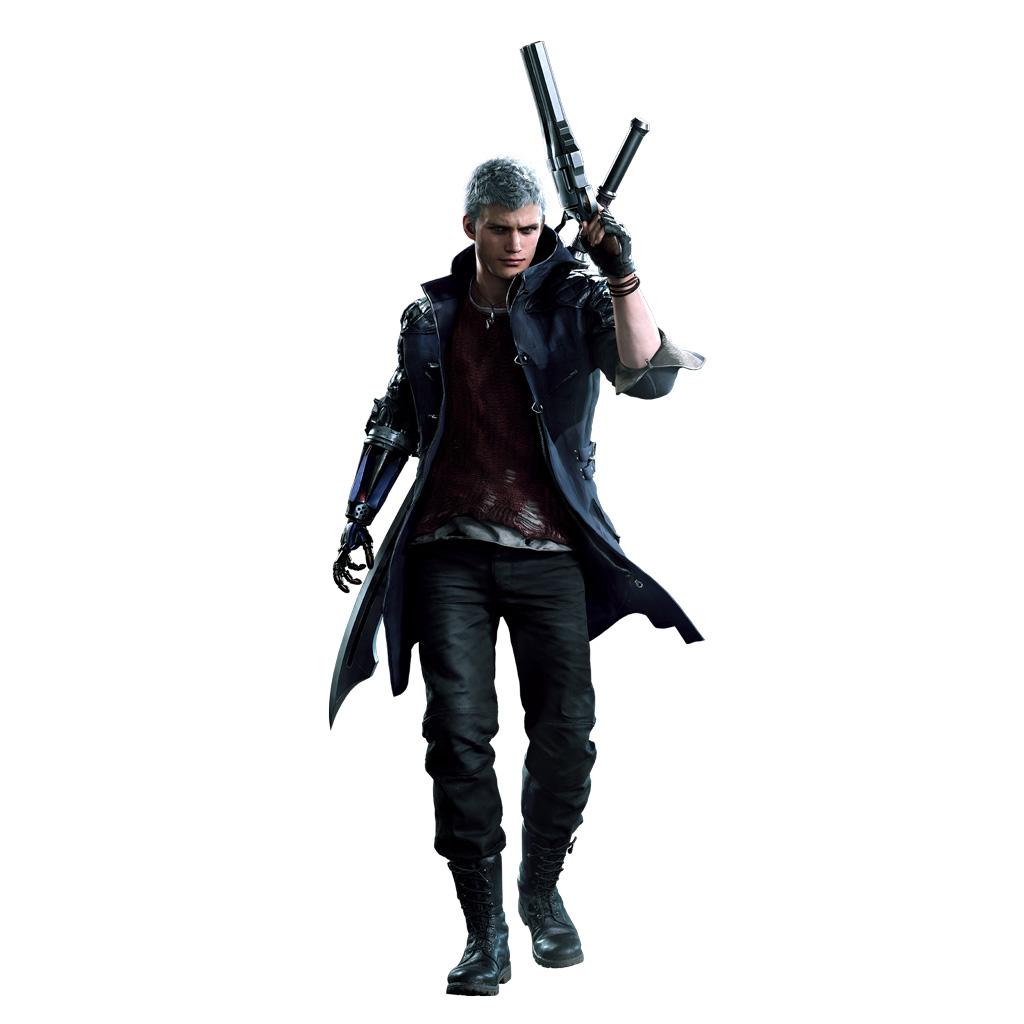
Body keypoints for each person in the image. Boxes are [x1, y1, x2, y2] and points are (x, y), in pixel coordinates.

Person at [331, 157, 704, 996]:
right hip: (448, 551)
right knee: (457, 740)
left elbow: (646, 373)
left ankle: (540, 892)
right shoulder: (430, 316)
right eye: (500, 229)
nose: (515, 244)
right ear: (471, 227)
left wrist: (620, 271)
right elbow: (396, 422)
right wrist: (358, 512)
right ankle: (484, 929)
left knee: (567, 735)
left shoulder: (573, 302)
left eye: (529, 229)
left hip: (553, 551)